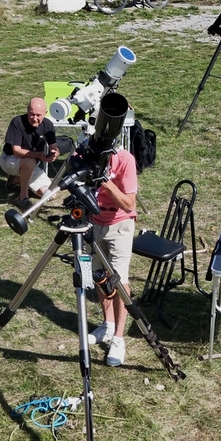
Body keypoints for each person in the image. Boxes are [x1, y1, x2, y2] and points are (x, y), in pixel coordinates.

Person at [88, 147, 138, 366]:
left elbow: (129, 204)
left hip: (120, 223)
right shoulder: (85, 154)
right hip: (94, 220)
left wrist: (107, 183)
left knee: (119, 280)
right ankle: (107, 325)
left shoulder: (125, 159)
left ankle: (118, 338)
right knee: (99, 275)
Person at [0, 97, 60, 211]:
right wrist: (39, 155)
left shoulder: (48, 125)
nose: (34, 118)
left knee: (51, 195)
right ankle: (23, 197)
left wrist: (55, 153)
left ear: (45, 113)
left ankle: (15, 180)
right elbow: (16, 151)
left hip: (30, 165)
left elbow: (54, 147)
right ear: (27, 110)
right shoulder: (17, 122)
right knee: (30, 162)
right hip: (9, 159)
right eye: (32, 114)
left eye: (38, 115)